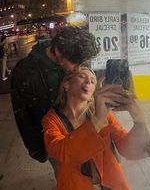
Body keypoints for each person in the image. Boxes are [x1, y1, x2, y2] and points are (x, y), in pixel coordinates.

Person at [42, 67, 150, 190]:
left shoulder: (103, 113)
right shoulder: (51, 120)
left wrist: (139, 120)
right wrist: (97, 121)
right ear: (66, 84)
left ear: (94, 92)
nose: (89, 81)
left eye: (93, 81)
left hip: (111, 182)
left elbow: (130, 151)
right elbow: (61, 151)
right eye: (82, 76)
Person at [11, 26, 100, 163]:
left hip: (81, 127)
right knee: (66, 174)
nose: (77, 68)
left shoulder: (73, 57)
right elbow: (23, 115)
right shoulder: (24, 73)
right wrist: (37, 149)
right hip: (55, 136)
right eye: (75, 64)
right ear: (58, 52)